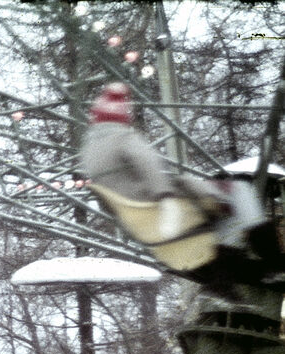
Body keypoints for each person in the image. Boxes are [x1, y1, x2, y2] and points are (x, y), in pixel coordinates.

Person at [79, 82, 275, 293]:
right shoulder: (124, 138)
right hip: (171, 209)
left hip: (146, 226)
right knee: (241, 191)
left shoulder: (88, 153)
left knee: (225, 216)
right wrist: (167, 196)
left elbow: (107, 202)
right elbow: (149, 165)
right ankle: (272, 256)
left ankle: (230, 274)